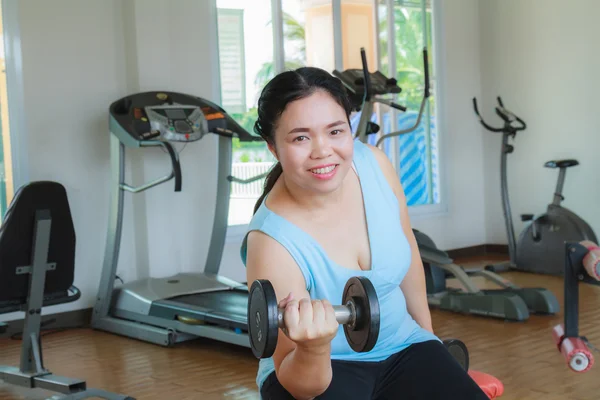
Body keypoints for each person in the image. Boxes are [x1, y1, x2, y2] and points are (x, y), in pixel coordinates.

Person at [240, 67, 487, 400]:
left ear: (350, 126)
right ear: (273, 148)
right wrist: (314, 347)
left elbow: (409, 251)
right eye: (300, 137)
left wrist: (429, 340)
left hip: (403, 346)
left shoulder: (375, 165)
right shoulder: (271, 241)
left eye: (335, 131)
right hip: (315, 371)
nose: (322, 150)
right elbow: (299, 385)